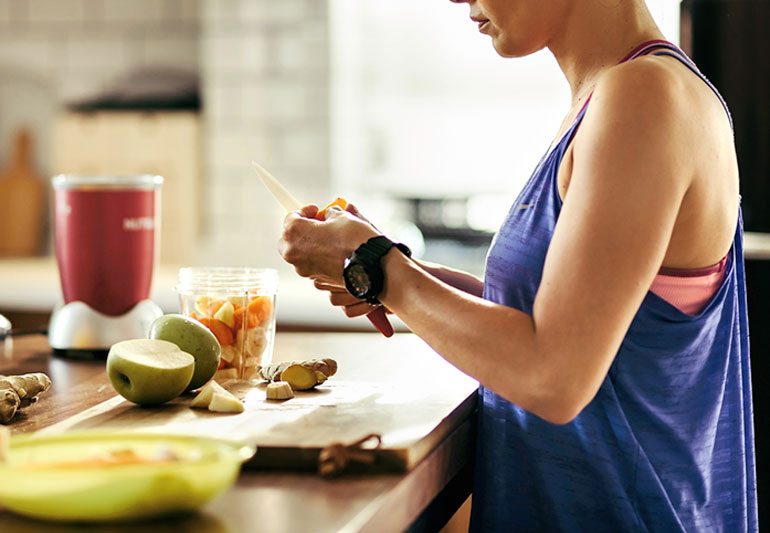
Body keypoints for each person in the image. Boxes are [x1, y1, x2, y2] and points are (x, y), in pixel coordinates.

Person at [278, 0, 758, 530]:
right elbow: (558, 319)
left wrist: (378, 266)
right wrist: (383, 266)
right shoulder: (613, 95)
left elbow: (554, 376)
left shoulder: (644, 96)